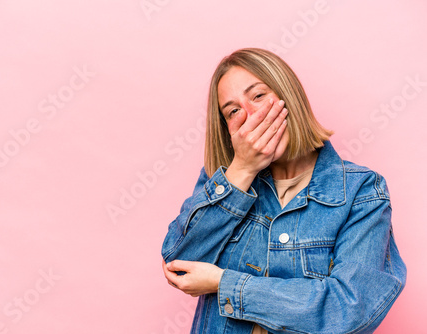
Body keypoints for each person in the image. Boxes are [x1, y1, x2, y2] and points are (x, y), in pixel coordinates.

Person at [161, 48, 406, 334]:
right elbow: (180, 265)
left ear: (288, 96)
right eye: (233, 111)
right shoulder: (225, 181)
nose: (250, 116)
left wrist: (224, 283)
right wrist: (241, 170)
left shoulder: (361, 191)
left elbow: (348, 310)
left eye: (258, 96)